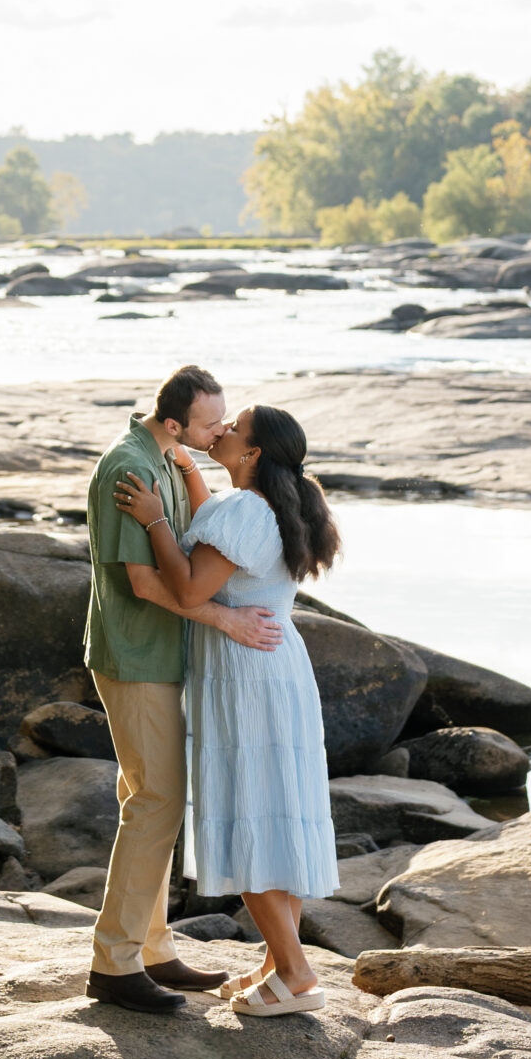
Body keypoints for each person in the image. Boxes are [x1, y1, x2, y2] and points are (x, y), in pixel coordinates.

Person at [115, 402, 342, 1015]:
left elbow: (189, 588)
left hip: (244, 675)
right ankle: (276, 964)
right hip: (278, 668)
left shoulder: (246, 509)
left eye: (233, 428)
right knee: (277, 814)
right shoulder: (278, 502)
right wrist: (188, 465)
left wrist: (156, 521)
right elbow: (218, 511)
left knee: (249, 815)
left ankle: (295, 972)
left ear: (254, 453)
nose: (222, 431)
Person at [82, 364, 283, 1014]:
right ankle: (114, 965)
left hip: (165, 655)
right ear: (174, 424)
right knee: (157, 802)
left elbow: (198, 527)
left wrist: (200, 466)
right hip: (136, 656)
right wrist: (224, 617)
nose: (222, 428)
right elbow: (143, 583)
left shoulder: (168, 456)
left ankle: (153, 948)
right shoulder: (128, 469)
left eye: (225, 419)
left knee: (151, 798)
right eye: (210, 423)